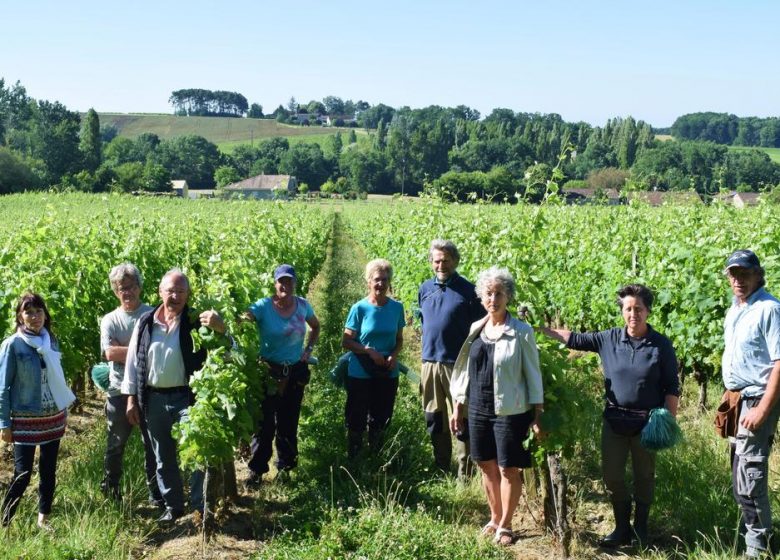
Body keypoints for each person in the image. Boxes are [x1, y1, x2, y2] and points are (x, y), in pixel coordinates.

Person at [541, 283, 679, 548]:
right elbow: (574, 338)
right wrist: (539, 331)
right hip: (614, 422)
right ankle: (621, 527)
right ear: (622, 311)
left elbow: (672, 386)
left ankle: (640, 529)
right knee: (612, 476)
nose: (633, 314)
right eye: (628, 308)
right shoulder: (609, 338)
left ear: (648, 311)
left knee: (644, 477)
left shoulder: (661, 345)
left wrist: (668, 422)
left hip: (647, 425)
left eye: (638, 308)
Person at [121, 268, 226, 523]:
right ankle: (173, 507)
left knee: (196, 452)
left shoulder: (197, 321)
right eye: (170, 291)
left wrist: (221, 328)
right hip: (154, 399)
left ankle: (200, 507)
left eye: (181, 291)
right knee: (162, 455)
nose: (175, 296)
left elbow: (228, 350)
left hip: (187, 398)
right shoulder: (145, 322)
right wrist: (131, 398)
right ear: (160, 292)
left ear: (188, 294)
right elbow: (133, 362)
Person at [450, 267, 544, 546]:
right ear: (481, 298)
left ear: (508, 297)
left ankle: (506, 524)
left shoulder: (521, 332)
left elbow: (533, 374)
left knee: (508, 469)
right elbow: (465, 370)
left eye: (499, 293)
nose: (494, 299)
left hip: (510, 409)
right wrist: (458, 406)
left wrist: (537, 414)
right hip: (478, 407)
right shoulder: (475, 329)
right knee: (485, 465)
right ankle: (494, 517)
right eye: (488, 294)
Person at [721, 250, 780, 559]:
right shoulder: (737, 308)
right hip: (738, 401)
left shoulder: (769, 309)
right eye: (733, 274)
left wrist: (762, 409)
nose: (738, 280)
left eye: (744, 273)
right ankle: (754, 535)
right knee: (739, 473)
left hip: (756, 400)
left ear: (758, 274)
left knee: (751, 476)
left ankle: (759, 547)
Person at [0, 292, 76, 529]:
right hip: (24, 420)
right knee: (22, 474)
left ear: (45, 314)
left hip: (53, 417)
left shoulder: (51, 340)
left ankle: (44, 519)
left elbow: (57, 378)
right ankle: (5, 521)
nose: (34, 317)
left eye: (38, 311)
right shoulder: (13, 345)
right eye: (28, 312)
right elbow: (2, 388)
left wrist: (63, 412)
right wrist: (4, 424)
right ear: (20, 317)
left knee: (48, 470)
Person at [244, 264, 320, 487]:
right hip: (268, 372)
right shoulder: (263, 306)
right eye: (281, 281)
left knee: (288, 422)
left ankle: (285, 469)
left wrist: (308, 350)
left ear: (295, 283)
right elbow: (244, 319)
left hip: (295, 372)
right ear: (275, 283)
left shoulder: (303, 306)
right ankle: (257, 471)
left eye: (289, 281)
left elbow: (315, 327)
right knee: (264, 425)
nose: (285, 285)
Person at [418, 240, 484, 478]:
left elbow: (479, 331)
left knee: (461, 418)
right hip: (429, 362)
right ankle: (441, 465)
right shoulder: (425, 288)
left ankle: (464, 473)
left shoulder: (469, 291)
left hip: (458, 365)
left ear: (455, 261)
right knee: (434, 416)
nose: (441, 265)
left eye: (446, 260)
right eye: (437, 260)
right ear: (431, 262)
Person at [99, 263, 162, 506]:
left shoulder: (153, 314)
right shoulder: (110, 320)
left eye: (131, 286)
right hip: (118, 390)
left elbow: (157, 351)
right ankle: (111, 491)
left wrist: (125, 350)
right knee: (115, 444)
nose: (127, 292)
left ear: (140, 287)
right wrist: (141, 349)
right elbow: (110, 354)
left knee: (152, 445)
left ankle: (155, 494)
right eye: (121, 288)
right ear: (115, 291)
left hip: (149, 390)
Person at [342, 259, 405, 458]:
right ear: (368, 282)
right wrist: (369, 351)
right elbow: (346, 341)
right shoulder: (359, 309)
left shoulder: (397, 308)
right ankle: (354, 457)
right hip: (361, 370)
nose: (381, 284)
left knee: (381, 415)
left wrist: (393, 356)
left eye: (385, 280)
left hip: (387, 370)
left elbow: (399, 339)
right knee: (357, 415)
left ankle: (375, 456)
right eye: (377, 280)